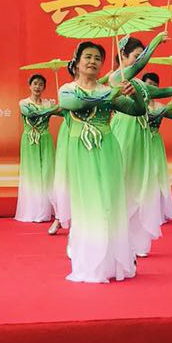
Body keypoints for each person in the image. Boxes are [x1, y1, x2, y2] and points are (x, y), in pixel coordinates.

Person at [58, 41, 145, 282]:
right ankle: (89, 262)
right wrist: (112, 94)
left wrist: (134, 94)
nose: (92, 61)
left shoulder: (108, 90)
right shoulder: (67, 89)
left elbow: (137, 110)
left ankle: (112, 263)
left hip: (107, 148)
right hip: (80, 150)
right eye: (87, 57)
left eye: (97, 58)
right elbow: (75, 104)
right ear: (77, 62)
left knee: (109, 200)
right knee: (88, 203)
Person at [111, 36, 172, 256]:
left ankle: (136, 241)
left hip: (141, 135)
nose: (139, 61)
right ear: (123, 55)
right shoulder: (116, 77)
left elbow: (163, 92)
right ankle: (113, 238)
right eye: (136, 56)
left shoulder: (140, 84)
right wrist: (156, 41)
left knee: (139, 186)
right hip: (124, 131)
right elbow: (141, 65)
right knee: (120, 184)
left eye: (140, 56)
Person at [141, 71, 172, 223]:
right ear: (142, 84)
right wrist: (165, 109)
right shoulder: (137, 103)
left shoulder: (160, 105)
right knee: (142, 174)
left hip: (155, 142)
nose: (152, 88)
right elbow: (147, 118)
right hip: (141, 141)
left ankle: (156, 213)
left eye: (155, 85)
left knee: (156, 175)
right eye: (149, 84)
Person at [15, 74, 60, 223]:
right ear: (30, 85)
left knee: (47, 173)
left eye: (41, 84)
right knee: (32, 173)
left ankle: (46, 209)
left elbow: (62, 113)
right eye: (35, 83)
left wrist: (61, 106)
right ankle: (32, 210)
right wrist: (52, 109)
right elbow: (31, 113)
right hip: (30, 140)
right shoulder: (24, 103)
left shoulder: (48, 103)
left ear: (44, 87)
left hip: (45, 139)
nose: (37, 87)